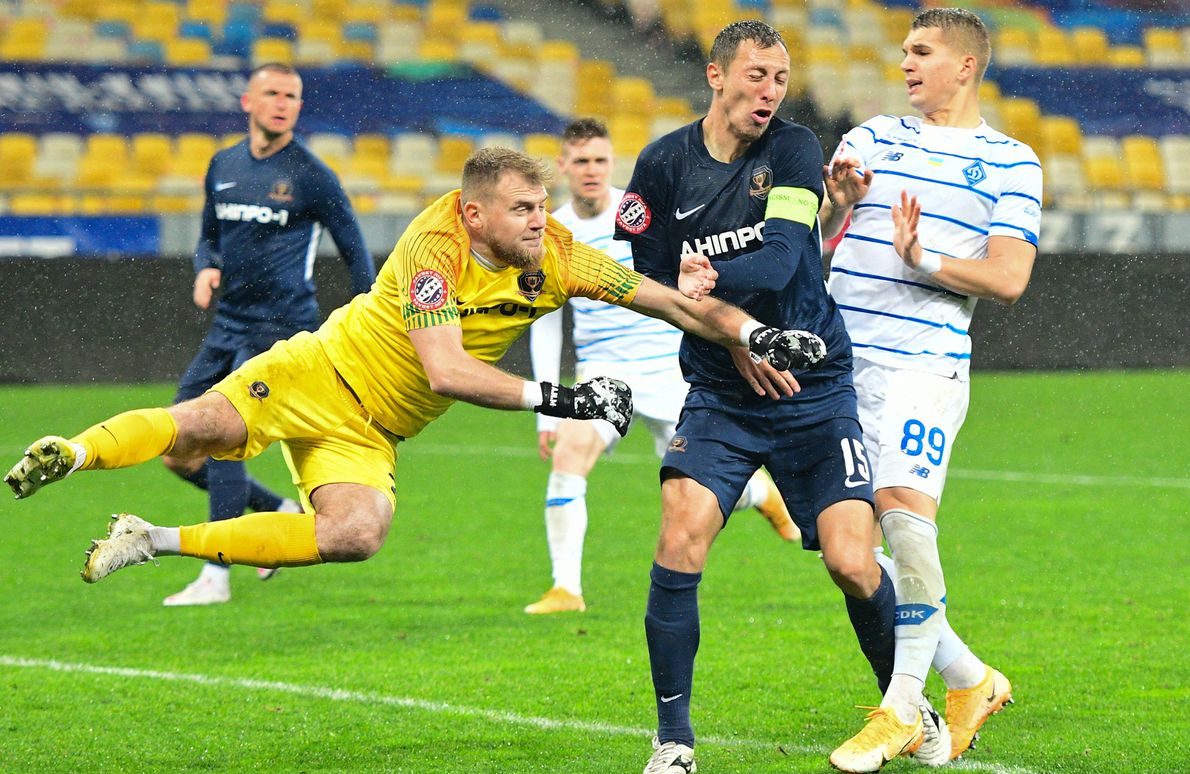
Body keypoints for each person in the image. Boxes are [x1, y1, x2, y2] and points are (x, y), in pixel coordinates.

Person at [4, 148, 826, 616]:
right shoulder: (434, 250)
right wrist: (565, 400)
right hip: (320, 372)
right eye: (522, 209)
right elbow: (447, 370)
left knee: (356, 534)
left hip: (373, 431)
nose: (540, 221)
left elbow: (673, 302)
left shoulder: (560, 258)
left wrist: (754, 333)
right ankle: (73, 453)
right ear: (473, 215)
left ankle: (149, 539)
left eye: (542, 205)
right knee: (202, 428)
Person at [613, 21, 942, 774]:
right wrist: (734, 337)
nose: (770, 92)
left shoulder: (793, 150)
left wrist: (710, 289)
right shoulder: (662, 165)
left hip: (811, 383)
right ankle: (673, 739)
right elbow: (650, 284)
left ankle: (906, 705)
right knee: (679, 537)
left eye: (781, 79)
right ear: (716, 75)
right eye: (756, 75)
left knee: (852, 562)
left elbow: (786, 256)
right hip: (721, 391)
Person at [821, 8, 1040, 772]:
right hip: (839, 368)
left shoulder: (1011, 162)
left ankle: (902, 709)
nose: (906, 63)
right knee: (848, 552)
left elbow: (1009, 277)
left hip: (924, 364)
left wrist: (927, 261)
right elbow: (814, 236)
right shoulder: (871, 137)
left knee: (905, 520)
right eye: (905, 51)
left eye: (921, 52)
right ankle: (970, 678)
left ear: (966, 66)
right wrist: (837, 203)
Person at [524, 117, 803, 615]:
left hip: (668, 364)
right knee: (569, 457)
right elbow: (544, 321)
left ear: (612, 162)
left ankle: (760, 493)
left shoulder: (642, 212)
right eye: (581, 161)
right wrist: (549, 411)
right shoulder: (553, 235)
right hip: (603, 370)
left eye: (600, 160)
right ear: (563, 166)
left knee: (703, 482)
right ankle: (565, 589)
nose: (591, 170)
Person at [161, 62, 377, 607]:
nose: (283, 103)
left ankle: (216, 574)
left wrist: (367, 322)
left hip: (281, 332)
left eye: (292, 96)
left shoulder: (311, 174)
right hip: (227, 325)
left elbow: (355, 249)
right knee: (177, 451)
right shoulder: (224, 164)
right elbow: (209, 236)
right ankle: (277, 510)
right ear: (248, 102)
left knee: (221, 443)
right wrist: (205, 268)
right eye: (273, 93)